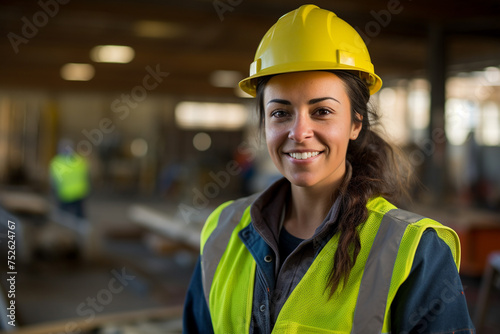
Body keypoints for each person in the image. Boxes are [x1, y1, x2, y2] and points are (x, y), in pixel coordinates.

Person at [183, 5, 475, 333]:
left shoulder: (415, 252)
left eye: (321, 111)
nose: (299, 132)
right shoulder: (223, 231)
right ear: (264, 124)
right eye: (281, 113)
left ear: (355, 124)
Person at [49, 139, 90, 220]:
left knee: (63, 218)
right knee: (79, 216)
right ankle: (81, 230)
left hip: (64, 194)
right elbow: (87, 176)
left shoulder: (56, 163)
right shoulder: (80, 160)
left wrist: (53, 191)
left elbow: (53, 181)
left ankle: (65, 230)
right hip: (79, 193)